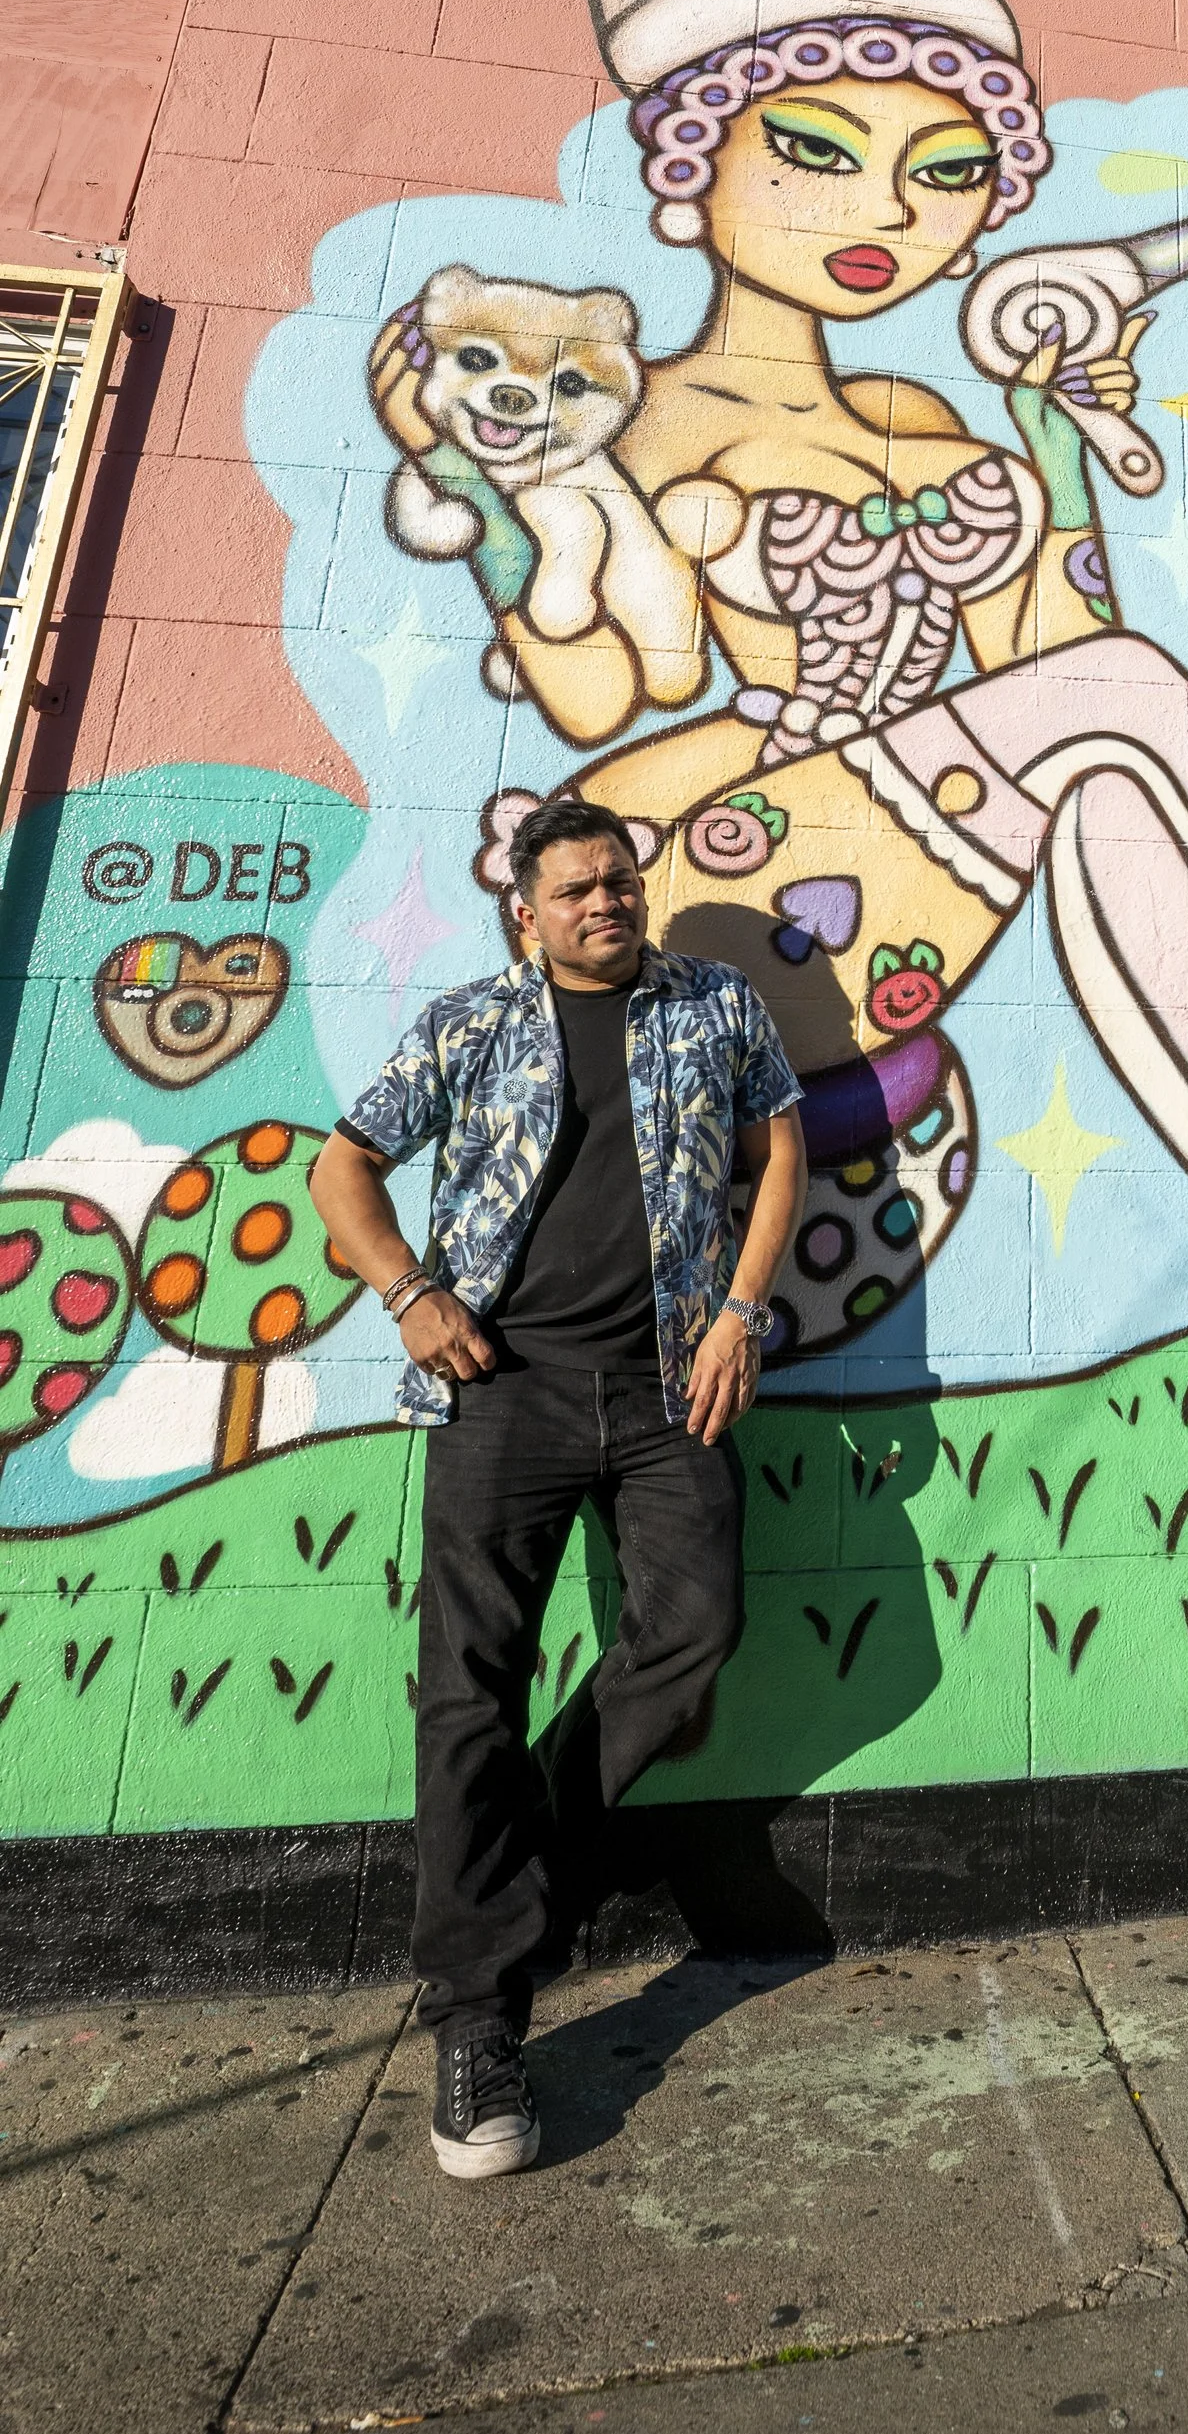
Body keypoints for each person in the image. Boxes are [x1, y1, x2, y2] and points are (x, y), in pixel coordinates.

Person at [367, 0, 1188, 1683]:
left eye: (945, 170)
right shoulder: (634, 428)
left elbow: (1077, 668)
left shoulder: (946, 431)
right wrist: (512, 502)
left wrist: (1068, 432)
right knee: (1125, 718)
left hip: (925, 857)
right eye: (816, 149)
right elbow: (602, 704)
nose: (888, 214)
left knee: (1131, 747)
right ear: (692, 160)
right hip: (741, 888)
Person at [308, 793, 807, 2181]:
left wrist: (740, 1313)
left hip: (667, 1385)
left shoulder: (715, 1004)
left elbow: (784, 1154)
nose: (609, 901)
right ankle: (478, 2021)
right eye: (579, 887)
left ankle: (507, 1877)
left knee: (695, 1625)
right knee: (471, 1681)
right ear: (525, 910)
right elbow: (344, 1166)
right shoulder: (473, 1021)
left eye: (622, 880)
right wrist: (407, 1292)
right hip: (500, 1390)